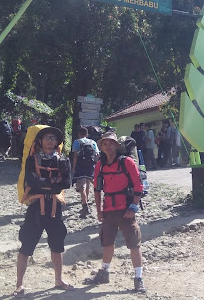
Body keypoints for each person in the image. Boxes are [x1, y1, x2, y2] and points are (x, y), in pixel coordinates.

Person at [14, 126, 74, 297]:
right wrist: (53, 183)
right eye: (46, 137)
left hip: (54, 208)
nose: (49, 140)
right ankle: (19, 284)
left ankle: (58, 279)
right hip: (35, 208)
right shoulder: (32, 160)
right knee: (27, 244)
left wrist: (46, 183)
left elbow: (67, 183)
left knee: (57, 245)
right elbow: (31, 181)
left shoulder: (63, 160)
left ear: (57, 142)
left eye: (53, 138)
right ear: (40, 141)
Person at [87, 131, 146, 293]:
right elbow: (97, 189)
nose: (107, 146)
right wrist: (99, 210)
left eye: (111, 143)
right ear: (101, 147)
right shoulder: (100, 165)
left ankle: (138, 278)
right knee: (107, 242)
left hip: (126, 209)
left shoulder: (126, 162)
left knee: (134, 243)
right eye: (104, 144)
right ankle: (104, 273)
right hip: (109, 210)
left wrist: (133, 208)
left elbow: (138, 186)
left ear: (117, 145)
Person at [71, 126, 99, 218]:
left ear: (79, 134)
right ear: (87, 134)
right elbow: (97, 155)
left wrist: (74, 168)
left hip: (80, 166)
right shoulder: (92, 142)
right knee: (88, 184)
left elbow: (75, 156)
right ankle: (87, 200)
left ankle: (85, 205)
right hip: (91, 166)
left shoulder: (77, 142)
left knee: (82, 186)